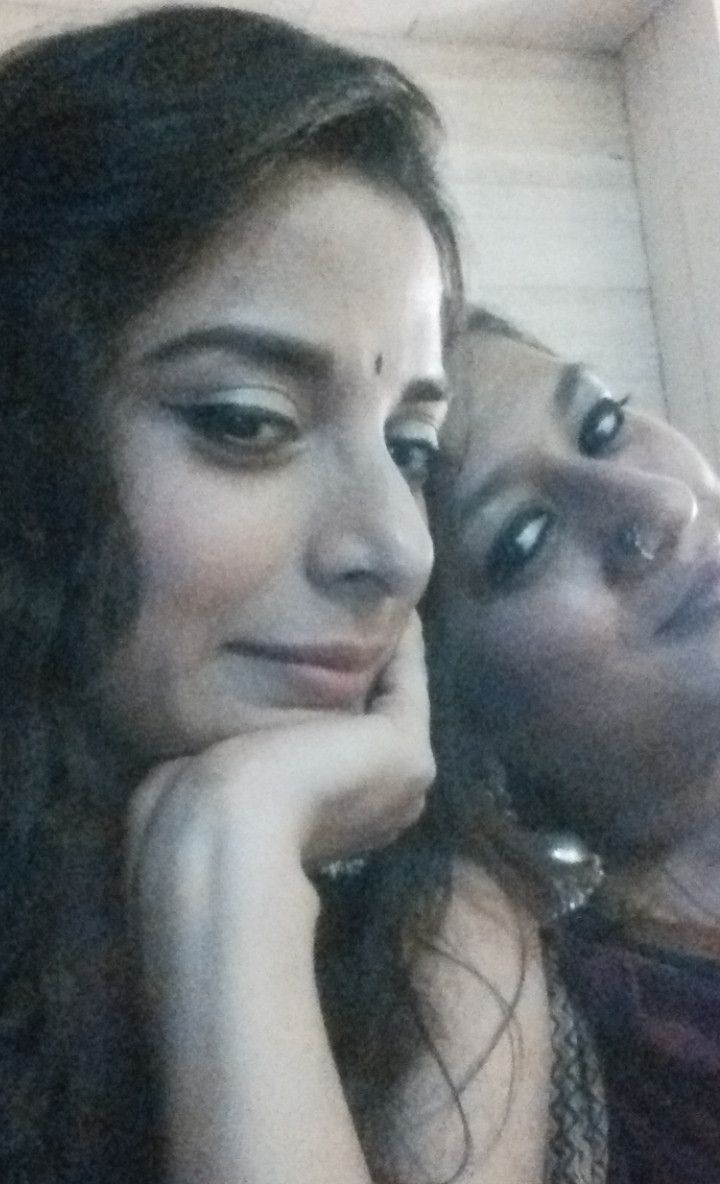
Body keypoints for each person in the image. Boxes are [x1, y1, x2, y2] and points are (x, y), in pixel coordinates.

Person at [0, 11, 551, 1184]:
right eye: (248, 422)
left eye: (411, 446)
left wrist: (231, 865)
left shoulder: (433, 929)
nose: (400, 549)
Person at [428, 305, 720, 1182]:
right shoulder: (620, 1062)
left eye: (601, 425)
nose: (662, 504)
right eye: (525, 538)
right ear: (453, 714)